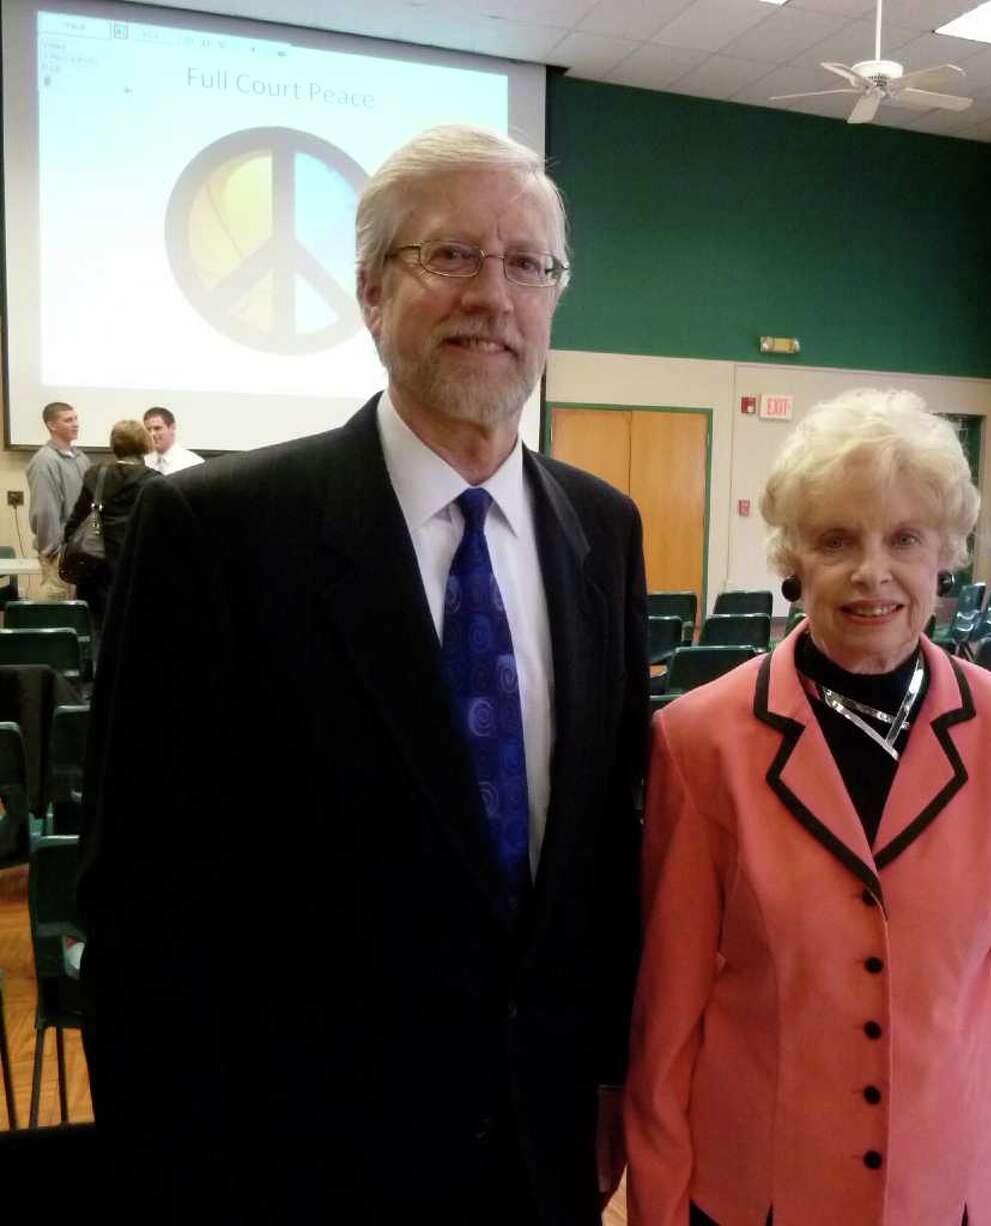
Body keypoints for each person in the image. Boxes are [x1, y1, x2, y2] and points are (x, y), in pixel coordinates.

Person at [78, 124, 648, 1224]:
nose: (493, 295)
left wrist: (612, 1072)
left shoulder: (602, 529)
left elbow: (608, 849)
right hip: (305, 1163)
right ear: (372, 292)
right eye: (452, 255)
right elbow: (146, 908)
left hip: (543, 1148)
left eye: (527, 263)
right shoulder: (219, 531)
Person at [625, 389, 991, 1226]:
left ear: (945, 555)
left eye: (905, 538)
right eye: (836, 540)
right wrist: (659, 1204)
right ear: (792, 558)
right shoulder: (699, 741)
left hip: (963, 1184)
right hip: (761, 1187)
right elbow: (668, 1019)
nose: (873, 572)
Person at [61, 420, 159, 632]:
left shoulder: (96, 475)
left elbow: (75, 523)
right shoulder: (154, 481)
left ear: (114, 445)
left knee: (97, 633)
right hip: (136, 572)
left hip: (95, 569)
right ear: (145, 444)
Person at [26, 401, 90, 598]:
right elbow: (44, 511)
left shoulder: (81, 458)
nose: (75, 424)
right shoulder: (44, 461)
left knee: (81, 609)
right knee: (59, 605)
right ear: (52, 425)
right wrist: (52, 551)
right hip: (59, 554)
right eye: (68, 420)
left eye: (76, 419)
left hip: (83, 552)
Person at [142, 406, 203, 473]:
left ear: (172, 427)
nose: (151, 434)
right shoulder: (144, 461)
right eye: (148, 430)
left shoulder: (193, 463)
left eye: (157, 428)